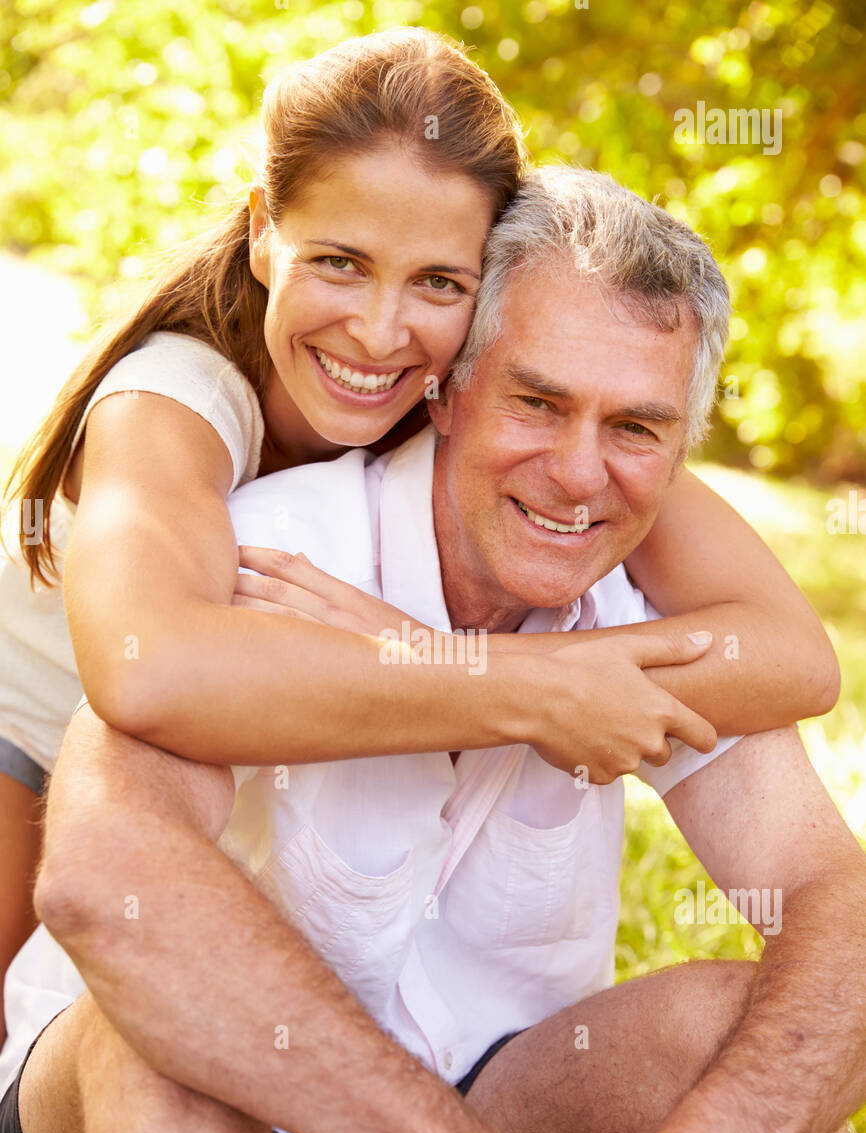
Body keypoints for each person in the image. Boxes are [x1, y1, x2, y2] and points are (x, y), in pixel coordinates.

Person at [2, 166, 863, 1133]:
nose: (576, 472)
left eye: (636, 428)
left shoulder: (652, 614)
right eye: (536, 403)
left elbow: (831, 895)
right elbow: (107, 879)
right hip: (178, 1122)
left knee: (731, 1032)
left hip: (490, 1108)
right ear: (447, 390)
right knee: (155, 1051)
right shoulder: (272, 559)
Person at [0, 29, 840, 1048]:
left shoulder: (483, 401)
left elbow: (790, 655)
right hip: (31, 742)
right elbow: (153, 673)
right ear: (264, 232)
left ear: (487, 288)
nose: (378, 330)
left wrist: (462, 654)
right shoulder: (174, 399)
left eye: (437, 282)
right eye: (340, 263)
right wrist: (526, 689)